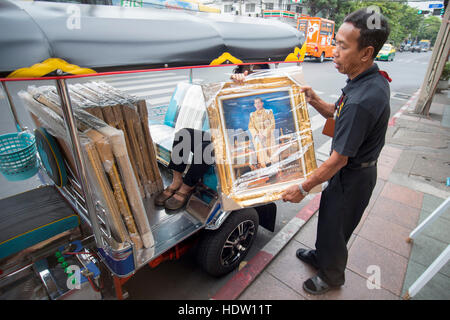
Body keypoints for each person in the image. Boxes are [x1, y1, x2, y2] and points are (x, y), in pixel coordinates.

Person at [280, 8, 391, 295]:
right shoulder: (364, 80)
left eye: (342, 46)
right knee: (329, 219)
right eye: (336, 42)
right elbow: (336, 113)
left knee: (337, 227)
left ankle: (332, 276)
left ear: (366, 52)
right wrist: (315, 99)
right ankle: (321, 256)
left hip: (353, 176)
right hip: (349, 172)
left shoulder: (362, 100)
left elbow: (338, 158)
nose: (334, 50)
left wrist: (302, 188)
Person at [154, 63, 270, 210]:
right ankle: (176, 181)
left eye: (253, 73)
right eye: (245, 71)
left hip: (243, 144)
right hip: (223, 136)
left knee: (207, 147)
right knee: (184, 134)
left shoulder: (265, 97)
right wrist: (235, 86)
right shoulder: (232, 89)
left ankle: (186, 187)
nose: (248, 75)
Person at [248, 97, 276, 168]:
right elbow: (251, 127)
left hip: (268, 135)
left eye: (259, 102)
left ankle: (275, 167)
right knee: (261, 152)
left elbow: (272, 124)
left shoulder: (268, 112)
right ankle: (265, 168)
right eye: (256, 103)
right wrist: (257, 134)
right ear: (254, 105)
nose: (257, 104)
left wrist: (264, 134)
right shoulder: (252, 115)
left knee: (271, 152)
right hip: (258, 136)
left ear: (262, 103)